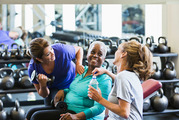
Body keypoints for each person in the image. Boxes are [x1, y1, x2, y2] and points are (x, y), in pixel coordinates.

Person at [26, 41, 112, 120]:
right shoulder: (81, 71)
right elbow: (73, 89)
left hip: (79, 114)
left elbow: (100, 108)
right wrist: (64, 91)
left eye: (100, 54)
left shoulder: (104, 79)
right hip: (67, 108)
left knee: (36, 117)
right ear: (88, 54)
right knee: (30, 112)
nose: (95, 55)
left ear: (104, 59)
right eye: (92, 52)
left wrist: (77, 116)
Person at [88, 40, 154, 120]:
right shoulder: (131, 75)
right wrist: (106, 71)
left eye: (117, 50)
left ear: (123, 54)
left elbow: (124, 112)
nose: (115, 53)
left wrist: (99, 99)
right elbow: (122, 83)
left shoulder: (123, 77)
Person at [28, 38, 84, 106]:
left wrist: (78, 64)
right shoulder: (33, 68)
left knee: (70, 105)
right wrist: (43, 85)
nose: (53, 53)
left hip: (71, 82)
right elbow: (44, 95)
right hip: (52, 88)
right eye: (48, 54)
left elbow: (79, 49)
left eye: (51, 49)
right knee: (52, 107)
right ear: (39, 59)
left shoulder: (62, 50)